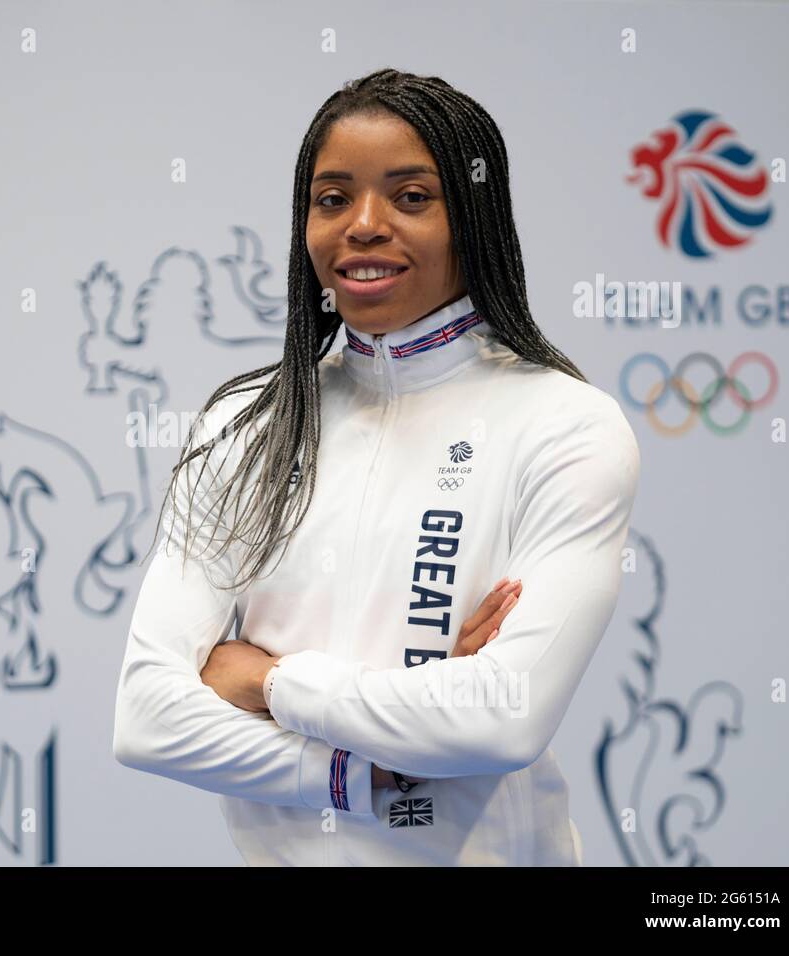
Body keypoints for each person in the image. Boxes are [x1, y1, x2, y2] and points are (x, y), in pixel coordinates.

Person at [112, 68, 640, 866]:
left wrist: (269, 683)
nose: (363, 226)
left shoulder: (563, 424)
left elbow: (503, 718)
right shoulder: (242, 427)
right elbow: (148, 717)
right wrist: (366, 768)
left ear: (475, 219)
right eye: (332, 199)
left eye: (411, 197)